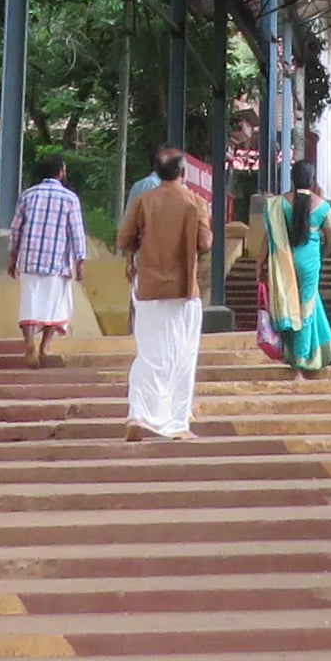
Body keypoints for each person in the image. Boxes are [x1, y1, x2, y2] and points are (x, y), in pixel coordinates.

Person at [117, 149, 214, 442]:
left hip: (147, 288)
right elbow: (205, 243)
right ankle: (176, 423)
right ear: (183, 173)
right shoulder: (195, 202)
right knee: (182, 356)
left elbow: (124, 239)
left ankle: (138, 412)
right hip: (183, 290)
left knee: (148, 353)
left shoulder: (144, 201)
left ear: (157, 173)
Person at [4, 151, 86, 367]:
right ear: (61, 173)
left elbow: (16, 229)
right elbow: (76, 232)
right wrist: (80, 261)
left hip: (29, 260)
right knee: (55, 305)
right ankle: (44, 347)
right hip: (57, 263)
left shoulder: (28, 195)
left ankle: (29, 342)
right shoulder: (70, 198)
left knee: (29, 303)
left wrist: (13, 257)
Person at [253, 184, 331, 377]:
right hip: (309, 262)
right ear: (312, 181)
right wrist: (322, 254)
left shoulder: (279, 204)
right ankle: (300, 363)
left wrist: (260, 262)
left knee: (290, 306)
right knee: (306, 309)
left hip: (283, 261)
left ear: (293, 180)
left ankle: (319, 354)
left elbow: (269, 235)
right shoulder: (323, 206)